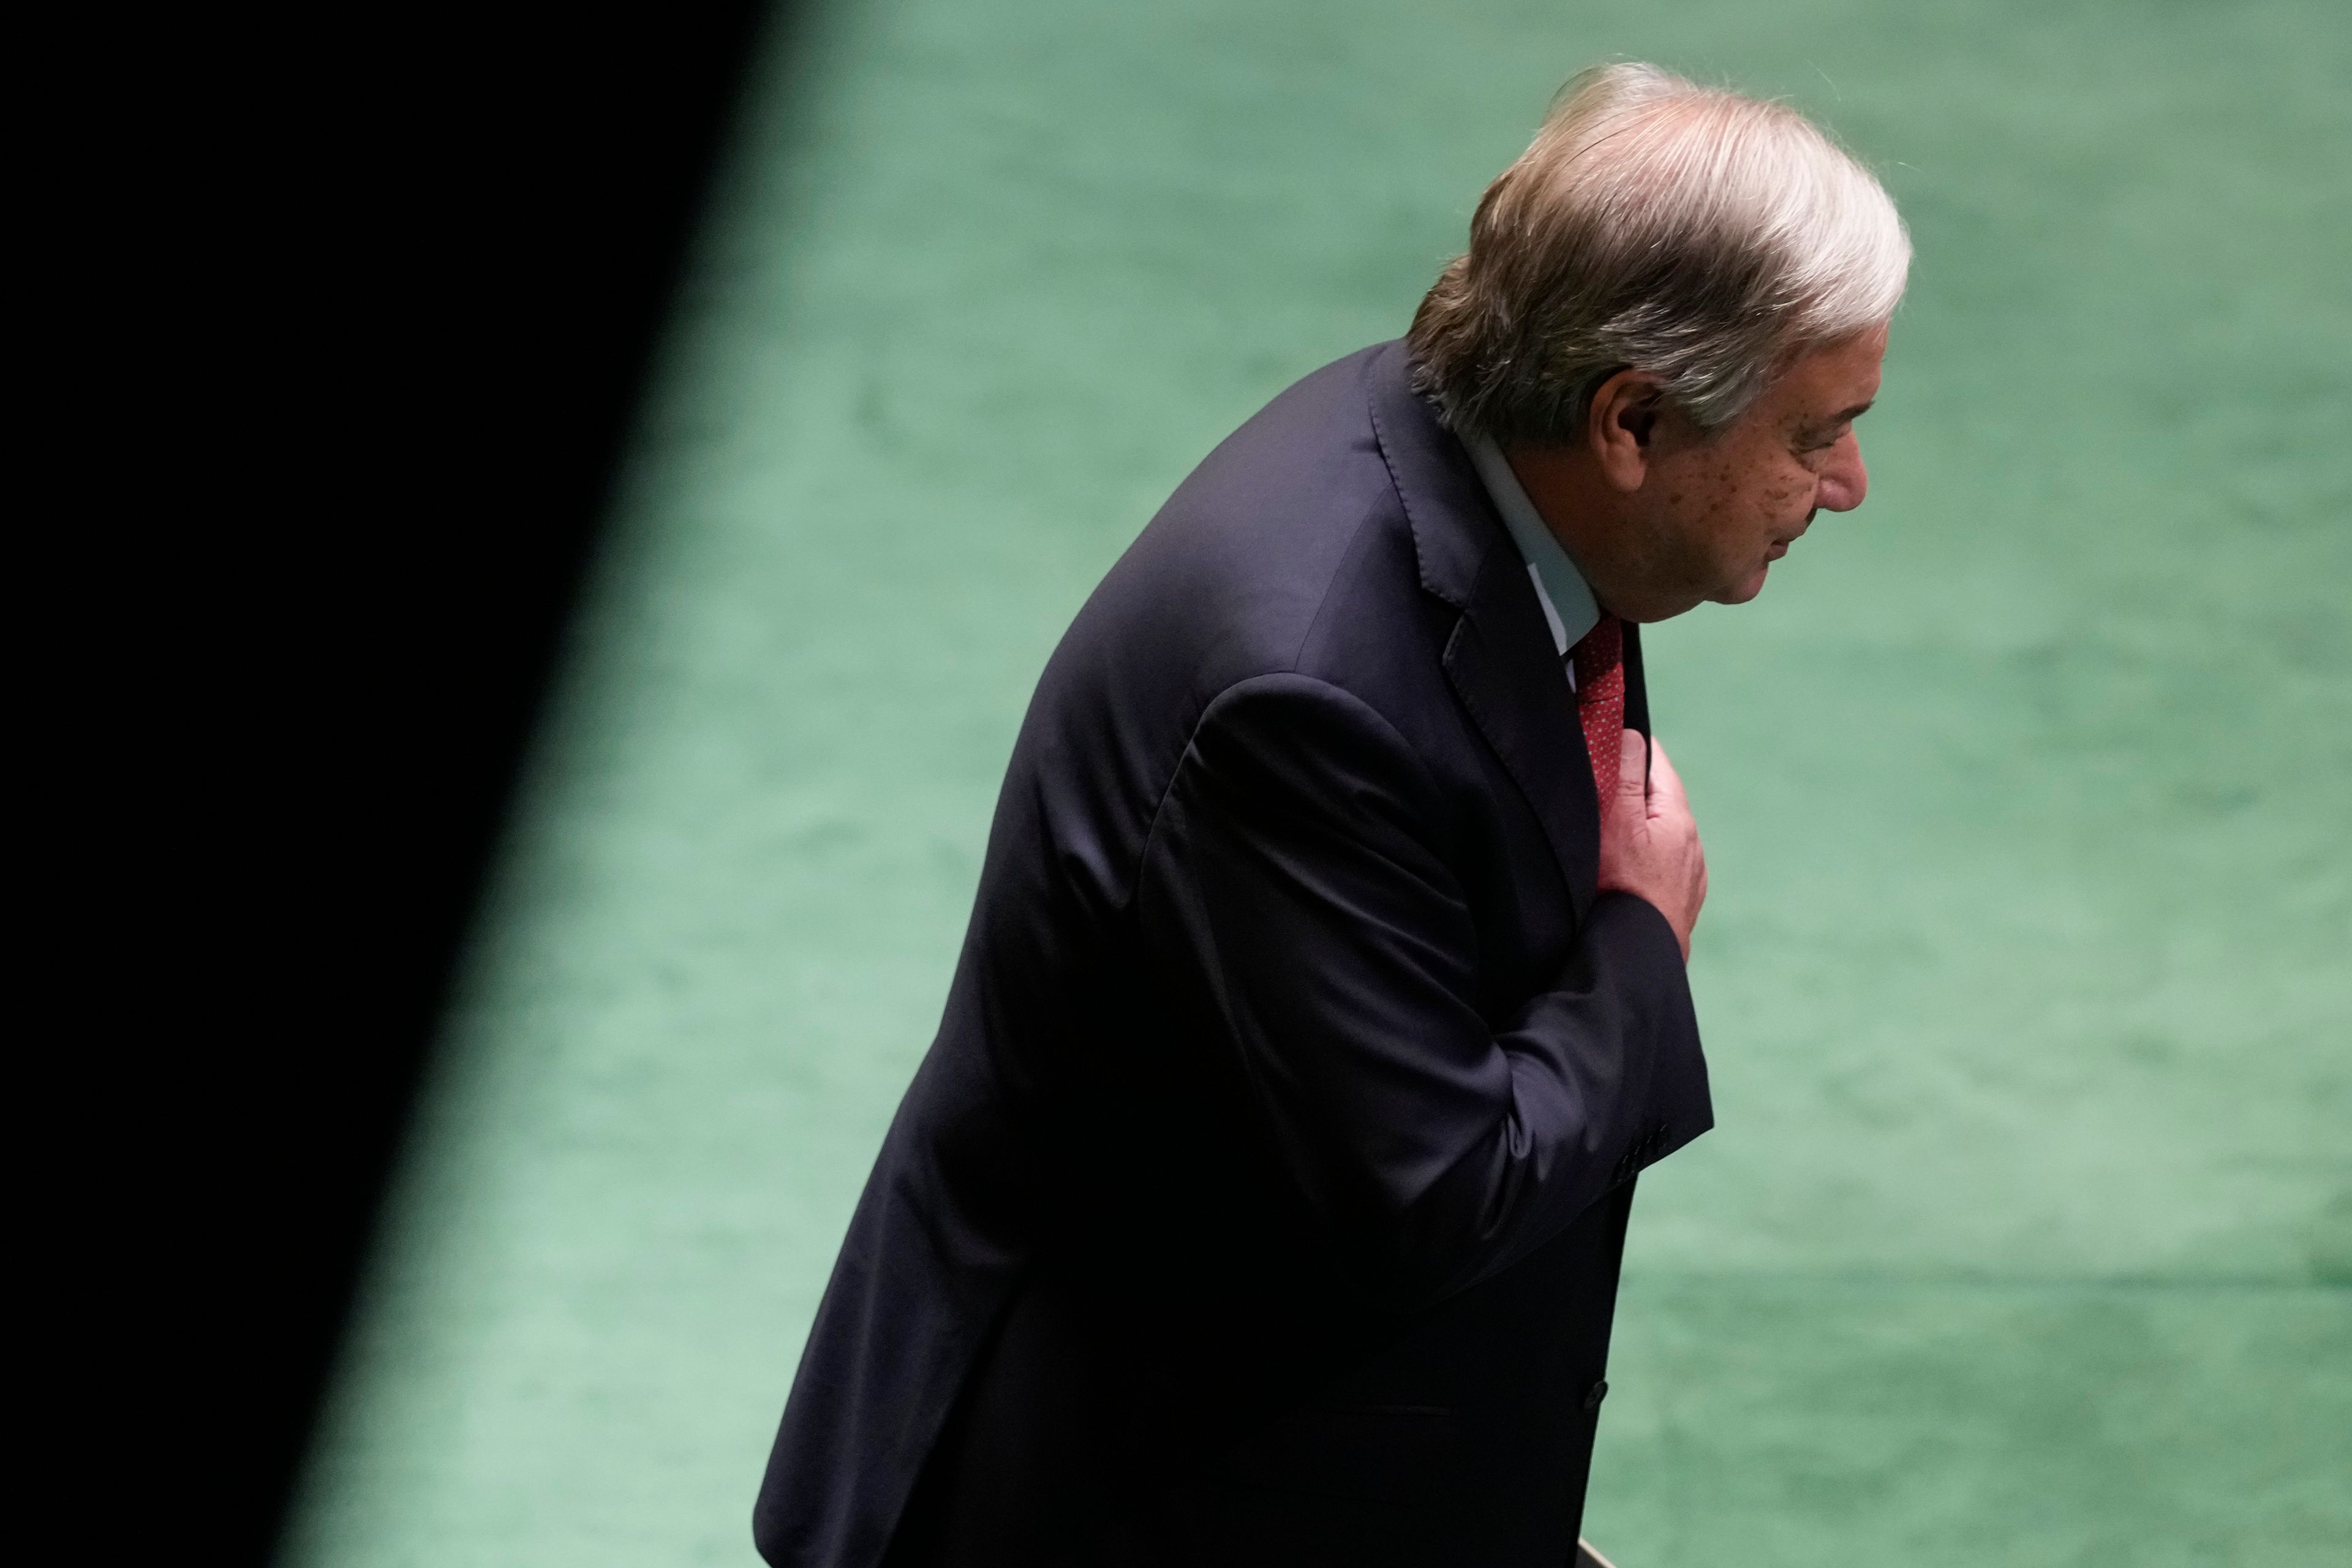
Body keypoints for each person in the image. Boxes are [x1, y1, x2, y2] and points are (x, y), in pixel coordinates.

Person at [755, 62, 1908, 1568]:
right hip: (1112, 1496)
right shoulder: (1307, 697)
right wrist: (1639, 939)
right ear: (1631, 419)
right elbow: (1427, 1190)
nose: (1850, 481)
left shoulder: (1499, 471)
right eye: (1818, 430)